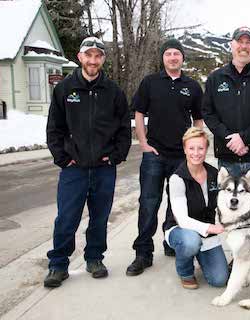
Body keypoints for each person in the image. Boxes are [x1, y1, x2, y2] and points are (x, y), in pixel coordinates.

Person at [44, 36, 131, 288]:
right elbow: (54, 129)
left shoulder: (113, 92)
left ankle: (94, 258)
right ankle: (58, 264)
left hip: (104, 169)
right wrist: (63, 158)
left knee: (100, 217)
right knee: (66, 218)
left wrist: (116, 155)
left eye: (98, 56)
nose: (93, 60)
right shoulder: (64, 89)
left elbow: (125, 129)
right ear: (80, 57)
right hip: (75, 170)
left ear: (103, 59)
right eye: (88, 55)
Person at [126, 38, 204, 276]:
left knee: (177, 203)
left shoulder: (192, 86)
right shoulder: (150, 82)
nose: (173, 57)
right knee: (149, 203)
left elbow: (198, 119)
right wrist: (143, 142)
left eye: (177, 54)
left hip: (181, 157)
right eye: (168, 53)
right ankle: (143, 253)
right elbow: (139, 113)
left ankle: (171, 241)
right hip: (155, 155)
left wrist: (195, 147)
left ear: (182, 58)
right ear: (163, 58)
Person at [202, 26, 250, 211]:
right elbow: (208, 113)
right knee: (231, 211)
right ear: (231, 45)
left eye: (248, 42)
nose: (244, 46)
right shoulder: (215, 78)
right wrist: (230, 138)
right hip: (228, 159)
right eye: (240, 42)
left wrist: (244, 137)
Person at [164, 127, 228, 289]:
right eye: (191, 148)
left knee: (219, 279)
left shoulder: (214, 174)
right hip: (181, 230)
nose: (196, 153)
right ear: (185, 149)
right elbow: (182, 220)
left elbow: (223, 204)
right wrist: (211, 227)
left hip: (206, 234)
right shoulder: (177, 178)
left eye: (201, 148)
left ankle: (200, 254)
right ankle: (185, 271)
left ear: (206, 149)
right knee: (191, 241)